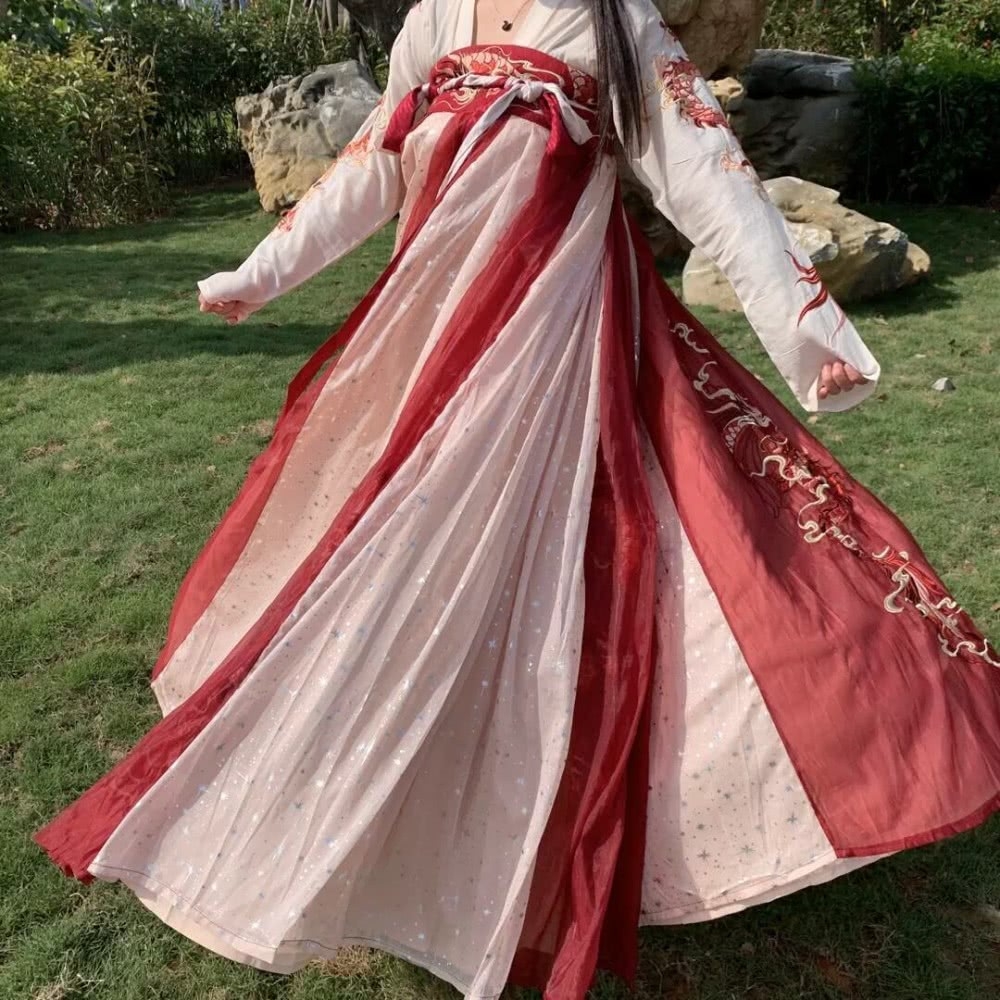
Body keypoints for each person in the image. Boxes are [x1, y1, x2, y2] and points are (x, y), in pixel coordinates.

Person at [33, 0, 1000, 997]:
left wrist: (808, 329)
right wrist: (261, 273)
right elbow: (373, 164)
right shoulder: (432, 21)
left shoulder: (614, 25)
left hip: (560, 353)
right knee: (392, 573)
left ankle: (620, 823)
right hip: (430, 350)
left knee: (597, 576)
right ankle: (364, 810)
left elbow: (709, 175)